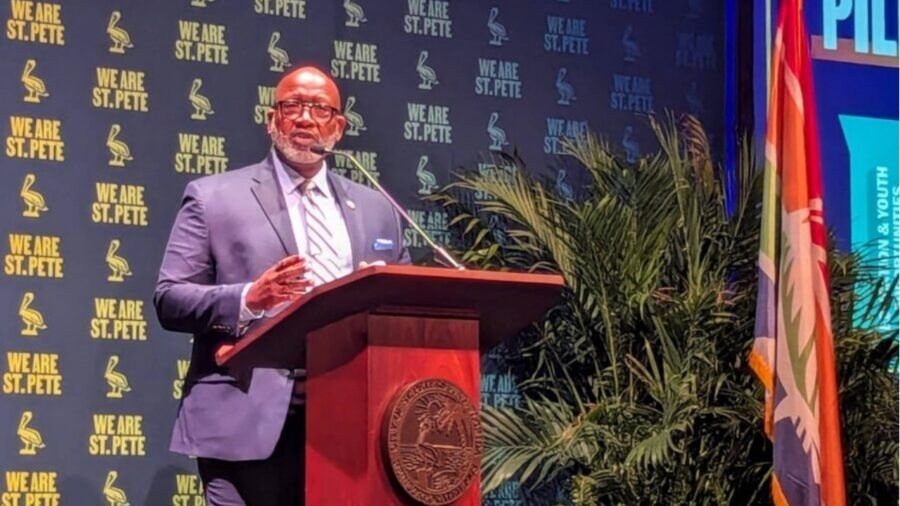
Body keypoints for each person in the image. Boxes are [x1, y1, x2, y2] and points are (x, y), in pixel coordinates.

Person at [154, 65, 409, 506]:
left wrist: (379, 294)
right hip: (247, 415)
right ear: (272, 119)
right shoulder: (213, 198)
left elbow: (406, 301)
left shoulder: (377, 208)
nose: (305, 118)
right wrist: (247, 298)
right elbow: (170, 297)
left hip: (352, 415)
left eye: (320, 109)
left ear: (339, 127)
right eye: (292, 106)